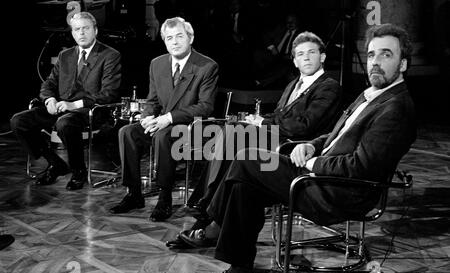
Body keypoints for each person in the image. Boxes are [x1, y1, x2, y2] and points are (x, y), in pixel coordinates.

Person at [185, 23, 417, 273]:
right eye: (372, 55)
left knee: (246, 158)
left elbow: (359, 167)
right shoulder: (373, 95)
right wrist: (312, 146)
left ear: (403, 64)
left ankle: (212, 224)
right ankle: (239, 269)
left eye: (386, 55)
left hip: (337, 191)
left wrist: (311, 162)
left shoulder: (396, 108)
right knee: (244, 184)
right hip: (319, 176)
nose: (375, 62)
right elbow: (336, 136)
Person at [167, 31, 342, 248]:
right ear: (295, 61)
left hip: (293, 148)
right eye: (300, 54)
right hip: (273, 138)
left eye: (312, 52)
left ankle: (205, 209)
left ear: (322, 57)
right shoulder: (293, 84)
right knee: (232, 131)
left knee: (236, 134)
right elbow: (279, 115)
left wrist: (262, 123)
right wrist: (259, 119)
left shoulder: (328, 86)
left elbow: (304, 126)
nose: (306, 58)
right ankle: (207, 213)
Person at [109, 17, 219, 222]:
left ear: (191, 38)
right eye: (169, 38)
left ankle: (164, 196)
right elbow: (152, 100)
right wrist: (146, 117)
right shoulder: (157, 64)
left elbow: (205, 107)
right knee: (127, 132)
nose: (174, 42)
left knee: (163, 135)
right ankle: (133, 193)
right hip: (161, 124)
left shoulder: (207, 66)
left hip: (190, 129)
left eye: (179, 36)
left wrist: (168, 118)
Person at [10, 12, 121, 191]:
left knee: (65, 123)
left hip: (91, 111)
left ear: (95, 30)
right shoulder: (65, 55)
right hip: (61, 108)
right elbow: (48, 84)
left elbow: (109, 94)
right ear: (72, 33)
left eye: (86, 28)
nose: (81, 33)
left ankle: (79, 172)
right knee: (19, 121)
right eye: (77, 29)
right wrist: (50, 100)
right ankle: (56, 163)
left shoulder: (110, 55)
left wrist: (74, 105)